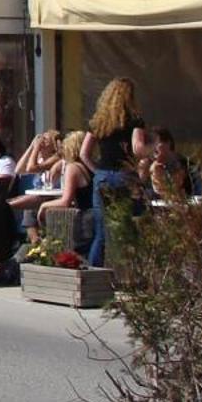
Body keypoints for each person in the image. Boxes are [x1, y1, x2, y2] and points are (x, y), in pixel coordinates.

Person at [80, 77, 142, 268]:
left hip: (104, 176)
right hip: (125, 176)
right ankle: (130, 273)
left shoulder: (99, 123)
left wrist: (97, 172)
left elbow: (83, 153)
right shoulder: (135, 121)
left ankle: (93, 273)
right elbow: (137, 148)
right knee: (129, 227)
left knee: (101, 232)